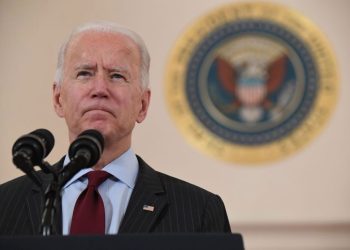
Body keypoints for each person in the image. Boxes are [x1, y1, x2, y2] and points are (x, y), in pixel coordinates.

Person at [0, 21, 231, 235]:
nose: (100, 88)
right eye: (84, 73)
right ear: (58, 98)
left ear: (143, 104)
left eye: (117, 76)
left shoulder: (200, 211)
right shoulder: (5, 204)